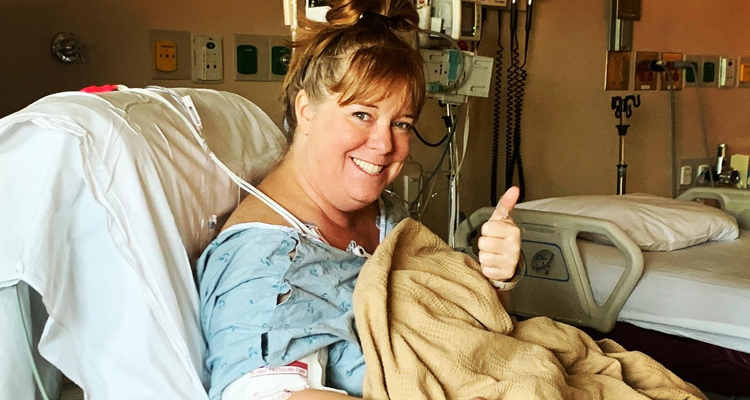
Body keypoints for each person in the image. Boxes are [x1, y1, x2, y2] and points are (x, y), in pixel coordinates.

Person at [196, 1, 522, 399]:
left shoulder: (388, 216)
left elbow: (463, 331)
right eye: (362, 115)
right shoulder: (269, 263)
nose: (384, 144)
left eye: (401, 124)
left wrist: (495, 277)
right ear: (306, 111)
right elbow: (266, 394)